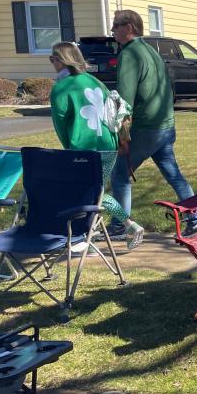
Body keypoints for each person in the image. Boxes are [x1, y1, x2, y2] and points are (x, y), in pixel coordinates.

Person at [107, 9, 197, 240]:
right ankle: (196, 221)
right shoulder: (151, 51)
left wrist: (122, 135)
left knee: (119, 174)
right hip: (165, 125)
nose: (112, 31)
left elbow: (124, 101)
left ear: (129, 27)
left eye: (116, 26)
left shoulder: (129, 54)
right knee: (174, 175)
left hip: (146, 127)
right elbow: (168, 89)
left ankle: (120, 226)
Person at [48, 42, 144, 250]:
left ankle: (89, 238)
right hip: (108, 144)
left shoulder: (61, 88)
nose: (51, 63)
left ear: (63, 60)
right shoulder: (95, 81)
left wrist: (69, 148)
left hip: (83, 147)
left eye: (53, 58)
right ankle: (124, 226)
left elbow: (61, 124)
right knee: (95, 192)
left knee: (88, 194)